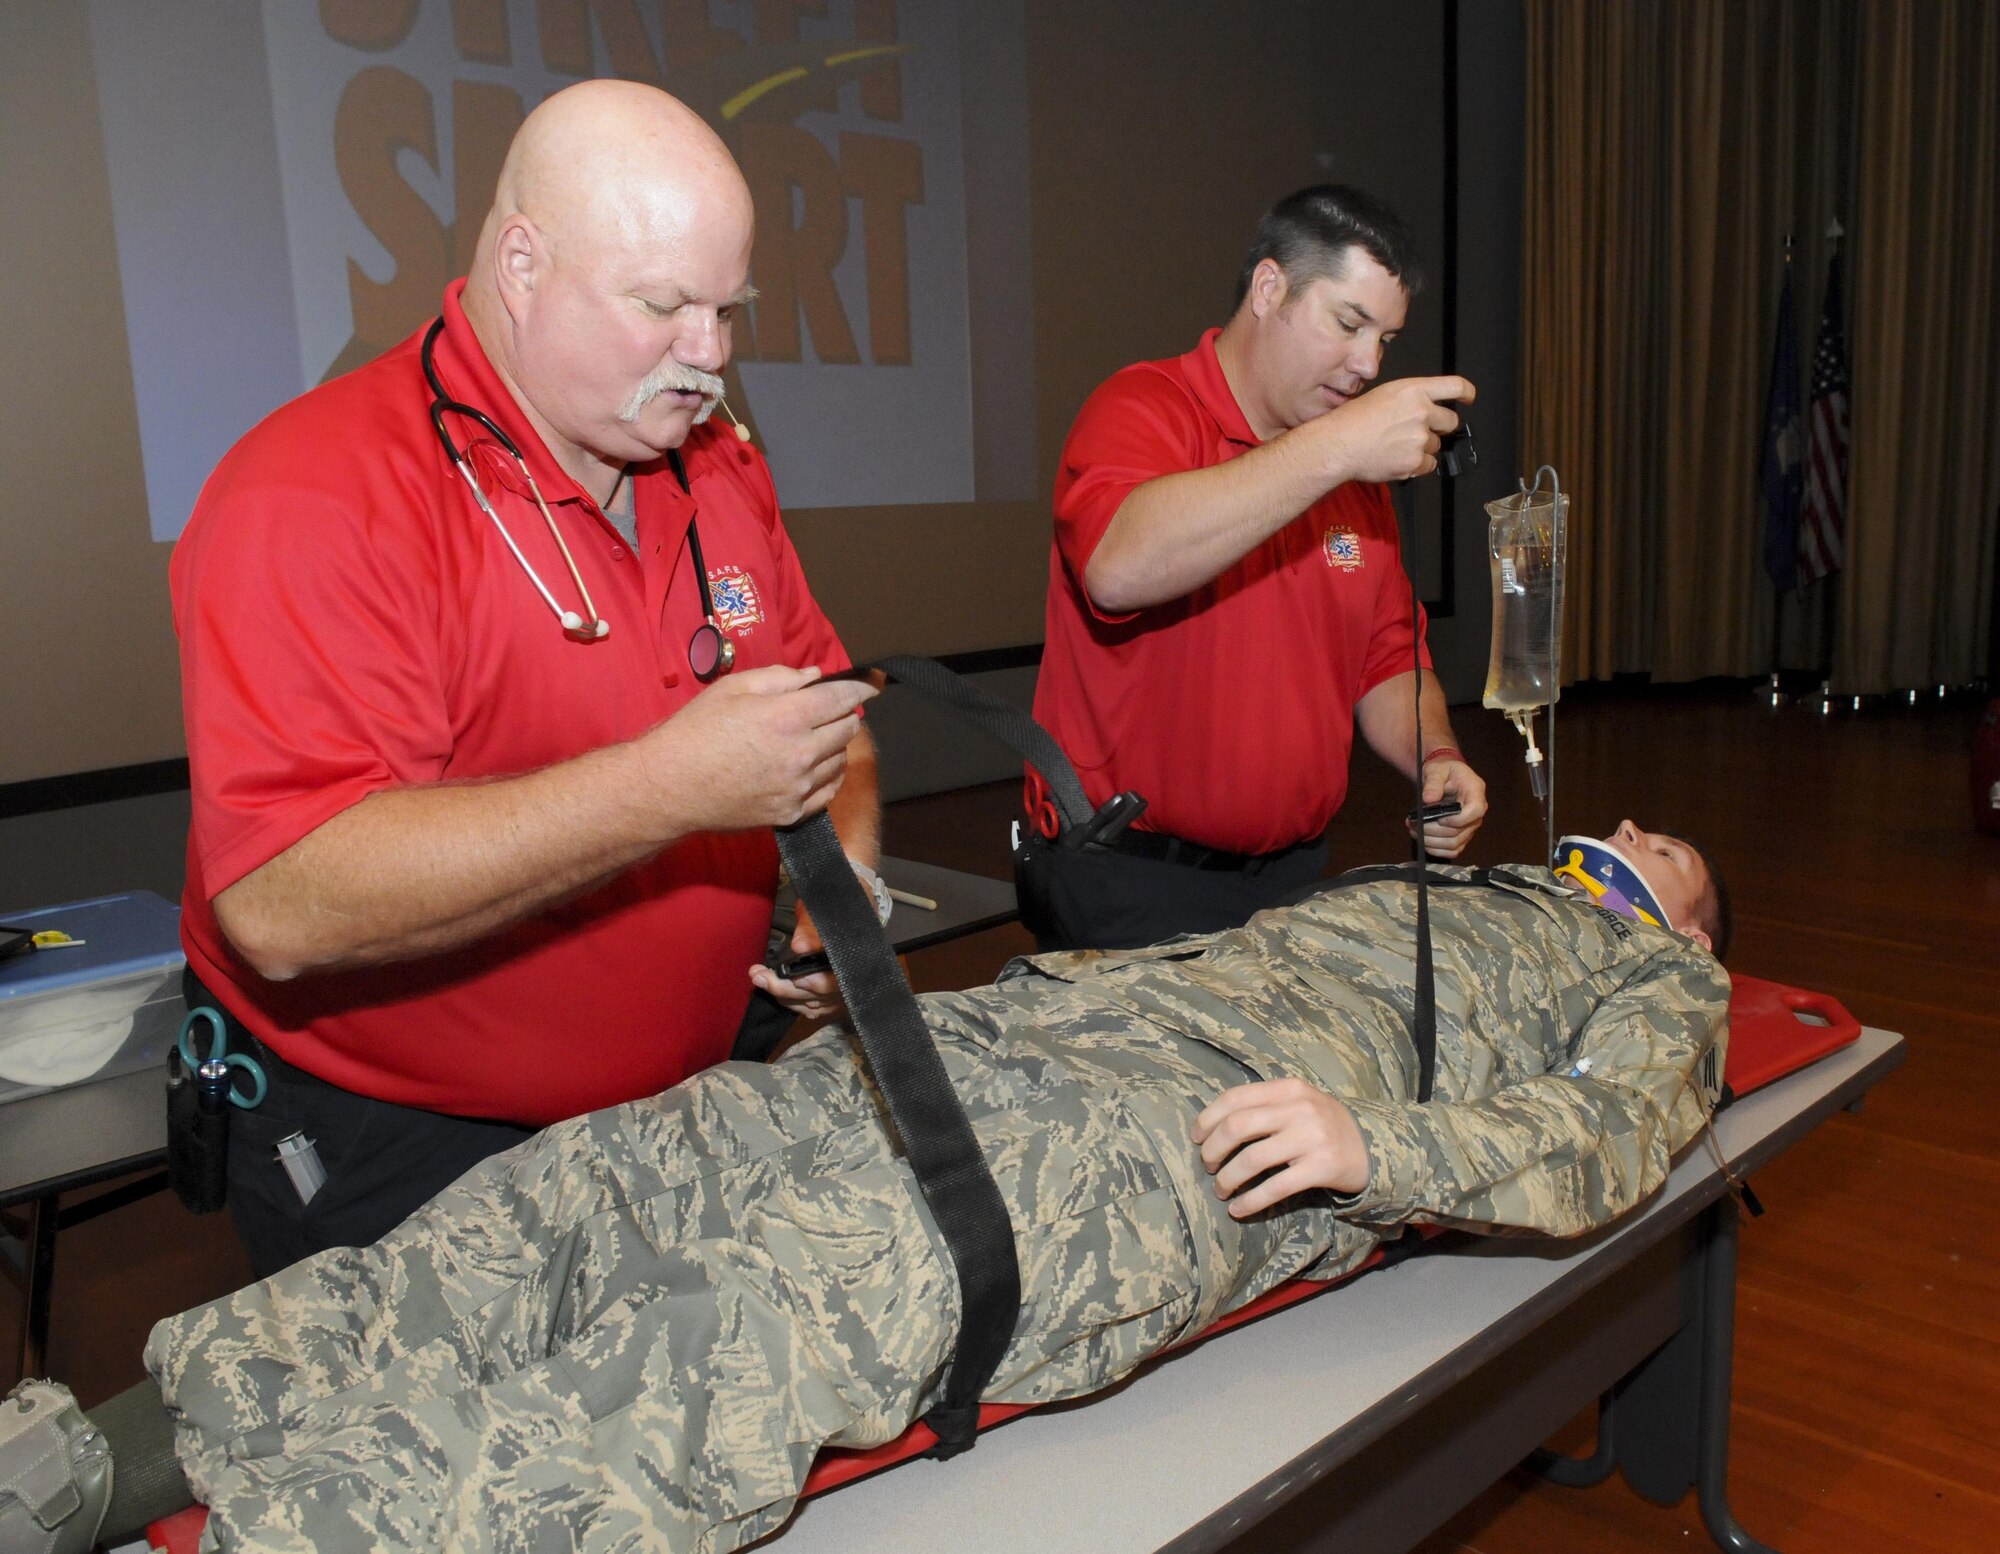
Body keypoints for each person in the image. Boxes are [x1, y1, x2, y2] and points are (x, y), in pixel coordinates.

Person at [0, 823, 1730, 1554]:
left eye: (1676, 853)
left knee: (728, 1327)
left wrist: (1381, 1153)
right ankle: (91, 1459)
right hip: (992, 1046)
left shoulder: (1655, 976)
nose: (1642, 832)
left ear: (1687, 912)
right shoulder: (1435, 874)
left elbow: (1610, 1131)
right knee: (596, 1183)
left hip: (1162, 1149)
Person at [168, 80, 880, 1277]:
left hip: (687, 1102)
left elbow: (824, 708)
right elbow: (281, 904)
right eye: (660, 306)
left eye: (725, 309)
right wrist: (668, 786)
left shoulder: (713, 469)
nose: (706, 357)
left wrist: (838, 886)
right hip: (409, 1162)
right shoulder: (317, 493)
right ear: (520, 262)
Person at [1025, 184, 1492, 952]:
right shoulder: (1144, 408)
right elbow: (1118, 567)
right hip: (1131, 880)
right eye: (1347, 324)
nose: (1367, 364)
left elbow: (1385, 658)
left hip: (1290, 884)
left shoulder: (1351, 479)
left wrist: (1436, 754)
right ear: (1269, 289)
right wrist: (1340, 448)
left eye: (1386, 340)